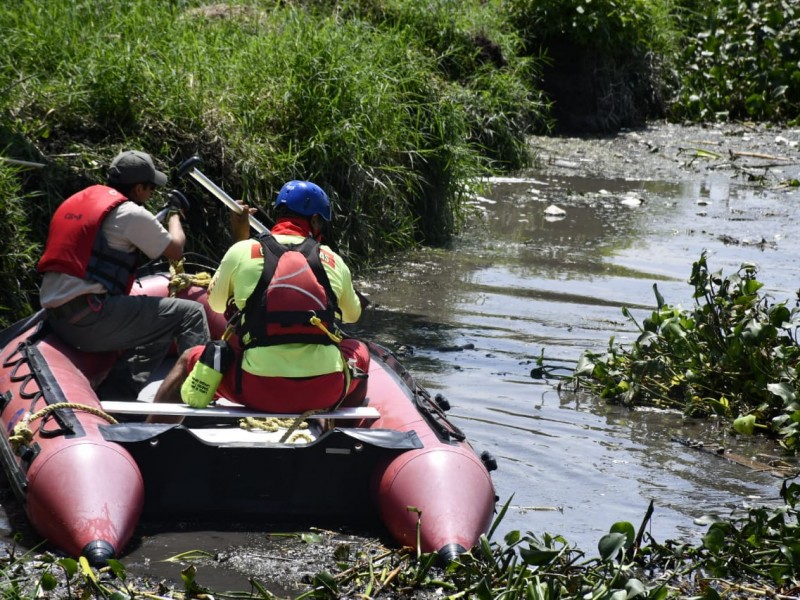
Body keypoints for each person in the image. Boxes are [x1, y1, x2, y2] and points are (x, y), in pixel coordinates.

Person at [151, 180, 370, 416]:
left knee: (188, 359)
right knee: (360, 350)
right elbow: (352, 315)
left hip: (256, 389)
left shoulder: (242, 250)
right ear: (315, 221)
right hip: (324, 390)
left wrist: (241, 239)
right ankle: (340, 432)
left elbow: (215, 303)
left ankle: (150, 431)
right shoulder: (334, 260)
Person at [38, 150, 210, 396]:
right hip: (88, 319)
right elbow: (176, 249)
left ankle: (117, 393)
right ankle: (195, 396)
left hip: (59, 317)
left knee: (160, 320)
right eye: (150, 188)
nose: (151, 194)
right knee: (191, 313)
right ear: (138, 188)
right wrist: (174, 213)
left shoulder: (81, 200)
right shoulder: (130, 213)